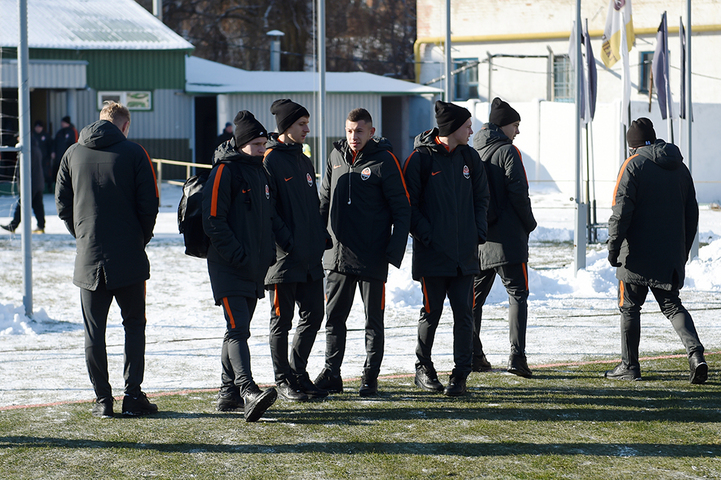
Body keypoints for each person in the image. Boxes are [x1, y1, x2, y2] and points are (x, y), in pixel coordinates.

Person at [55, 101, 159, 418]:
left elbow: (62, 204)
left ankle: (102, 399)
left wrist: (83, 235)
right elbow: (150, 204)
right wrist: (139, 239)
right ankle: (133, 396)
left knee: (94, 331)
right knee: (134, 326)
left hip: (89, 256)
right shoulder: (135, 153)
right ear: (124, 125)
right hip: (129, 257)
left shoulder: (72, 153)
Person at [316, 108, 411, 397]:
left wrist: (393, 252)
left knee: (373, 321)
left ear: (371, 131)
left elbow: (402, 209)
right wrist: (317, 241)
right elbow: (323, 201)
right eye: (349, 131)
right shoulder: (335, 156)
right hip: (337, 256)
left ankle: (370, 377)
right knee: (334, 319)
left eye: (359, 131)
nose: (353, 136)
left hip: (372, 256)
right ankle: (332, 373)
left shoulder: (385, 160)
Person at [606, 117, 708, 384]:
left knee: (629, 307)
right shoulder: (680, 167)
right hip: (670, 253)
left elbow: (621, 211)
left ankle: (630, 366)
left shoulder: (632, 165)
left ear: (633, 146)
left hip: (635, 254)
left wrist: (613, 247)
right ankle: (696, 354)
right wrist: (682, 251)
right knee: (672, 305)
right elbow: (692, 214)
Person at [404, 100, 489, 396]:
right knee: (432, 312)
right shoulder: (420, 159)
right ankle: (423, 368)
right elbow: (409, 205)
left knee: (465, 314)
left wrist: (477, 231)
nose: (471, 131)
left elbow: (482, 197)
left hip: (464, 255)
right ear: (452, 128)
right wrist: (428, 236)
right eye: (467, 126)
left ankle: (460, 375)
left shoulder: (470, 157)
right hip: (432, 256)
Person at [203, 110, 279, 421]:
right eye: (257, 145)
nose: (263, 149)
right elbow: (213, 220)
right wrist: (238, 256)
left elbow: (266, 219)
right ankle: (247, 390)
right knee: (237, 330)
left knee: (238, 329)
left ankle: (227, 393)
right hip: (229, 266)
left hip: (253, 267)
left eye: (264, 144)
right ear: (242, 144)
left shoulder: (260, 173)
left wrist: (267, 255)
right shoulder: (224, 171)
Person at [263, 99, 330, 401]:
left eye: (307, 123)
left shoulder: (303, 159)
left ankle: (298, 373)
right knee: (282, 321)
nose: (307, 129)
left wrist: (320, 236)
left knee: (314, 314)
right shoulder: (269, 159)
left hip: (310, 257)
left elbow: (312, 205)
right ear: (286, 126)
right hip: (284, 259)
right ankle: (282, 380)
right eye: (302, 124)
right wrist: (286, 243)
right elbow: (269, 210)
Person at [472, 97, 537, 378]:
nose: (518, 131)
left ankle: (473, 355)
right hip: (509, 240)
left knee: (473, 300)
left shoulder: (473, 151)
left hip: (480, 240)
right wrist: (529, 224)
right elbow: (519, 193)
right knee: (518, 295)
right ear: (502, 126)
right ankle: (517, 357)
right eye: (515, 125)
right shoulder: (509, 151)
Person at [2, 133, 46, 234]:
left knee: (22, 205)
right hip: (37, 182)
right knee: (38, 206)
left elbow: (24, 168)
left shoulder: (28, 151)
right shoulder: (36, 148)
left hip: (30, 183)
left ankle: (13, 225)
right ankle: (41, 226)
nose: (17, 139)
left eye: (18, 137)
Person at [51, 116, 78, 183]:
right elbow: (55, 143)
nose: (62, 124)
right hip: (59, 157)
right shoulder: (59, 132)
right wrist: (53, 152)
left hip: (68, 157)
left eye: (63, 122)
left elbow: (75, 143)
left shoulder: (73, 131)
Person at [32, 120, 53, 192]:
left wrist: (52, 153)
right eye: (37, 127)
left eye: (40, 127)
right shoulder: (32, 135)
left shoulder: (46, 135)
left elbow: (50, 145)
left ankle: (49, 187)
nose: (38, 129)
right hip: (35, 159)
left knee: (46, 173)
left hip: (45, 158)